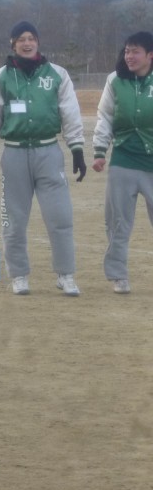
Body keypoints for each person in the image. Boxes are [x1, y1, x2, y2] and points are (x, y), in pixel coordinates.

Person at [0, 20, 87, 296]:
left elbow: (70, 112)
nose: (27, 43)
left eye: (31, 38)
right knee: (13, 221)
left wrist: (77, 149)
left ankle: (65, 275)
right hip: (14, 154)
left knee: (60, 217)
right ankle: (19, 275)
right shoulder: (0, 77)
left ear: (38, 42)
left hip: (48, 153)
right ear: (13, 44)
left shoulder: (57, 74)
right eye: (22, 39)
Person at [92, 31, 153, 294]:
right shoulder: (114, 80)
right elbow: (105, 116)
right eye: (127, 51)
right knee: (118, 221)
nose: (129, 56)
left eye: (135, 51)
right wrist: (99, 150)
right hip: (123, 160)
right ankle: (118, 275)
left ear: (150, 55)